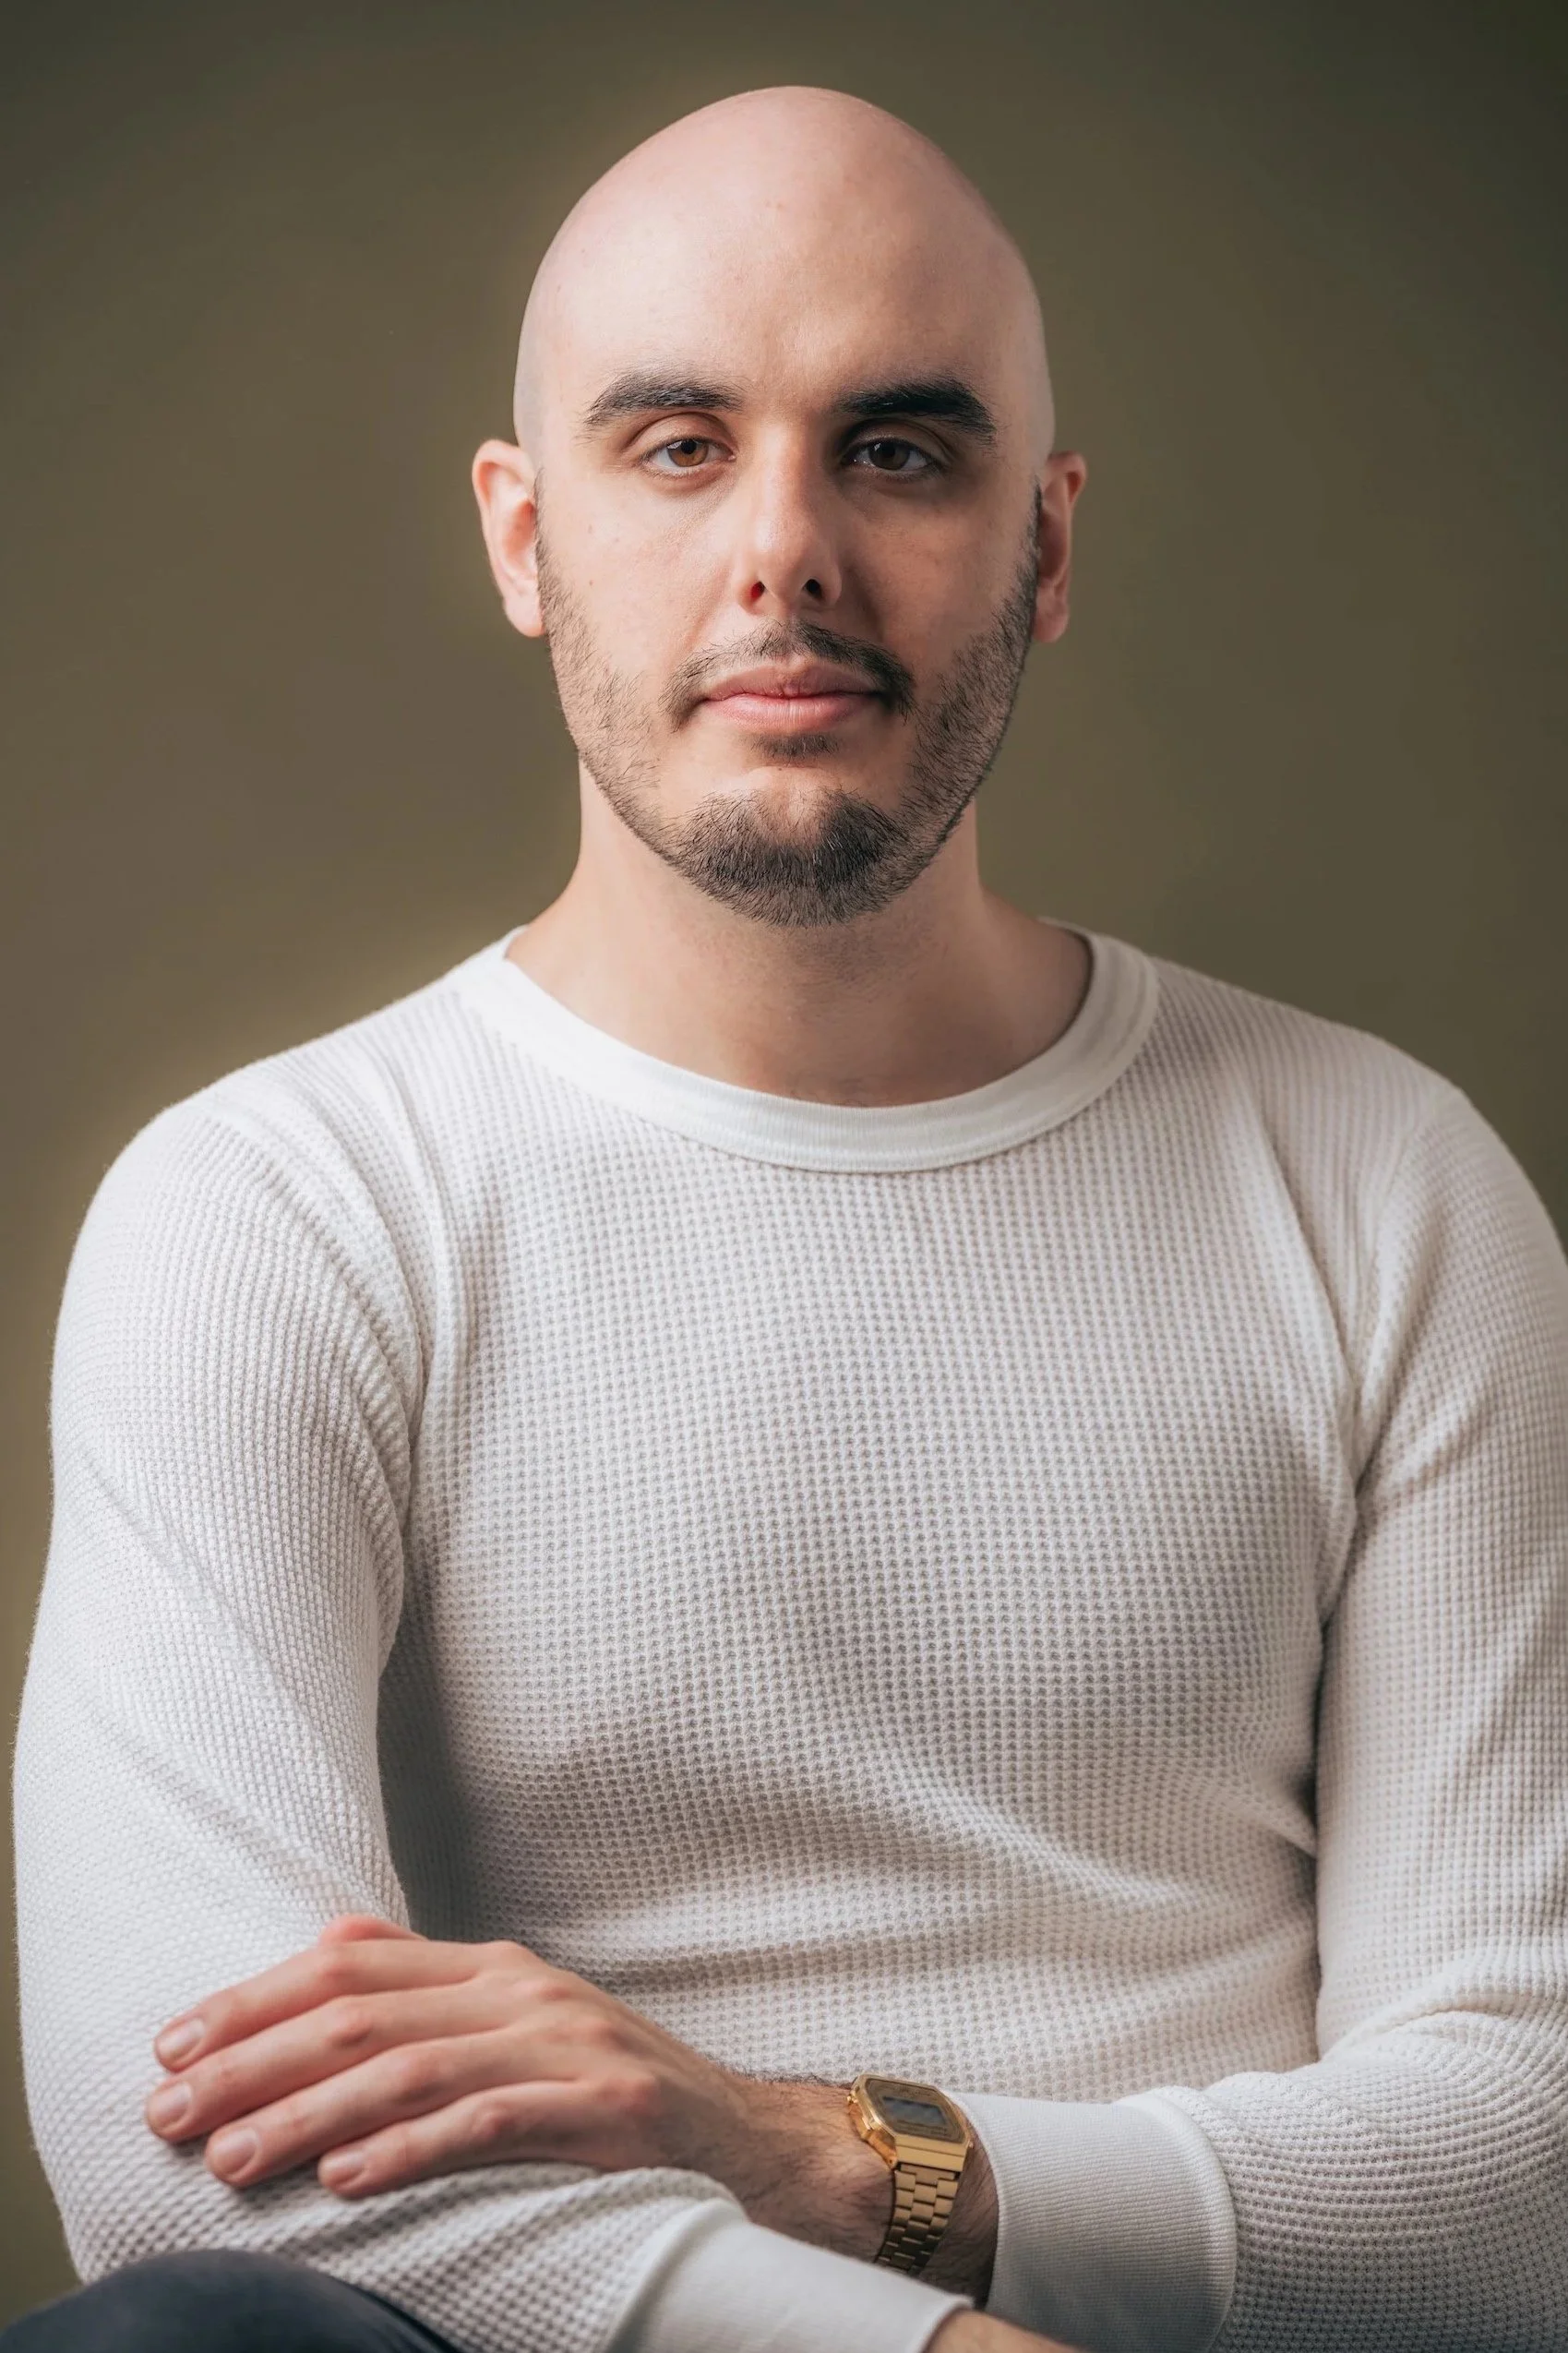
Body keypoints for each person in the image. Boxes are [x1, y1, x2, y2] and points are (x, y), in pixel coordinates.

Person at [8, 79, 1568, 2353]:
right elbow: (181, 2138)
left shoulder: (1381, 1183)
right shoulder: (278, 1212)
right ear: (520, 534)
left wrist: (824, 2144)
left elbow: (1526, 2162)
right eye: (675, 443)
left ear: (1046, 543)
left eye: (899, 450)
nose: (787, 553)